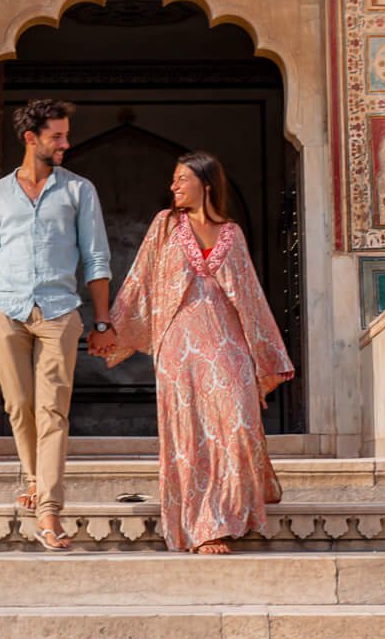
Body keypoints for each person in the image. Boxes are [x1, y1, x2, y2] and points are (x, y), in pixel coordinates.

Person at [92, 150, 291, 555]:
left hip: (226, 338)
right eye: (174, 179)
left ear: (206, 183)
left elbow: (250, 296)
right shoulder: (165, 226)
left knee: (238, 418)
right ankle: (205, 527)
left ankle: (239, 500)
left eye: (181, 179)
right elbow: (139, 280)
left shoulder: (232, 233)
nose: (174, 186)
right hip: (178, 342)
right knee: (190, 436)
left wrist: (263, 357)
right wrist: (110, 328)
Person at [0, 97, 114, 551]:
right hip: (4, 308)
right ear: (32, 139)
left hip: (58, 311)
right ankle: (34, 479)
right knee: (18, 406)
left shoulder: (78, 191)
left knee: (53, 410)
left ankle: (48, 508)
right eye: (57, 136)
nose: (65, 143)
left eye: (65, 135)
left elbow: (96, 257)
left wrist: (102, 321)